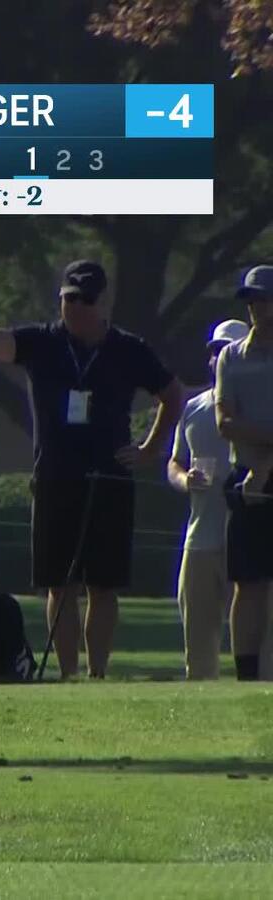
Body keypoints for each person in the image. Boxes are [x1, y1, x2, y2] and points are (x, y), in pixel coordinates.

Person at [0, 258, 185, 678]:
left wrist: (149, 449)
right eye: (68, 299)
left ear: (101, 303)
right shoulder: (43, 342)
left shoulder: (128, 349)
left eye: (84, 300)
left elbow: (172, 395)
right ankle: (68, 674)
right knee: (58, 584)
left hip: (109, 477)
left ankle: (97, 673)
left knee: (103, 585)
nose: (74, 308)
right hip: (54, 477)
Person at [167, 319, 247, 680]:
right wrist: (185, 479)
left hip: (248, 537)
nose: (221, 357)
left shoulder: (260, 405)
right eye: (216, 351)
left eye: (230, 350)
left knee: (256, 639)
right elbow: (174, 462)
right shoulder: (193, 408)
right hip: (200, 537)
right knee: (198, 645)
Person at [215, 265, 273, 681]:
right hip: (243, 476)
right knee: (246, 583)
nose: (256, 308)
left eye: (264, 299)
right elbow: (225, 422)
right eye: (252, 300)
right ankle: (246, 676)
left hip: (262, 474)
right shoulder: (230, 356)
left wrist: (266, 465)